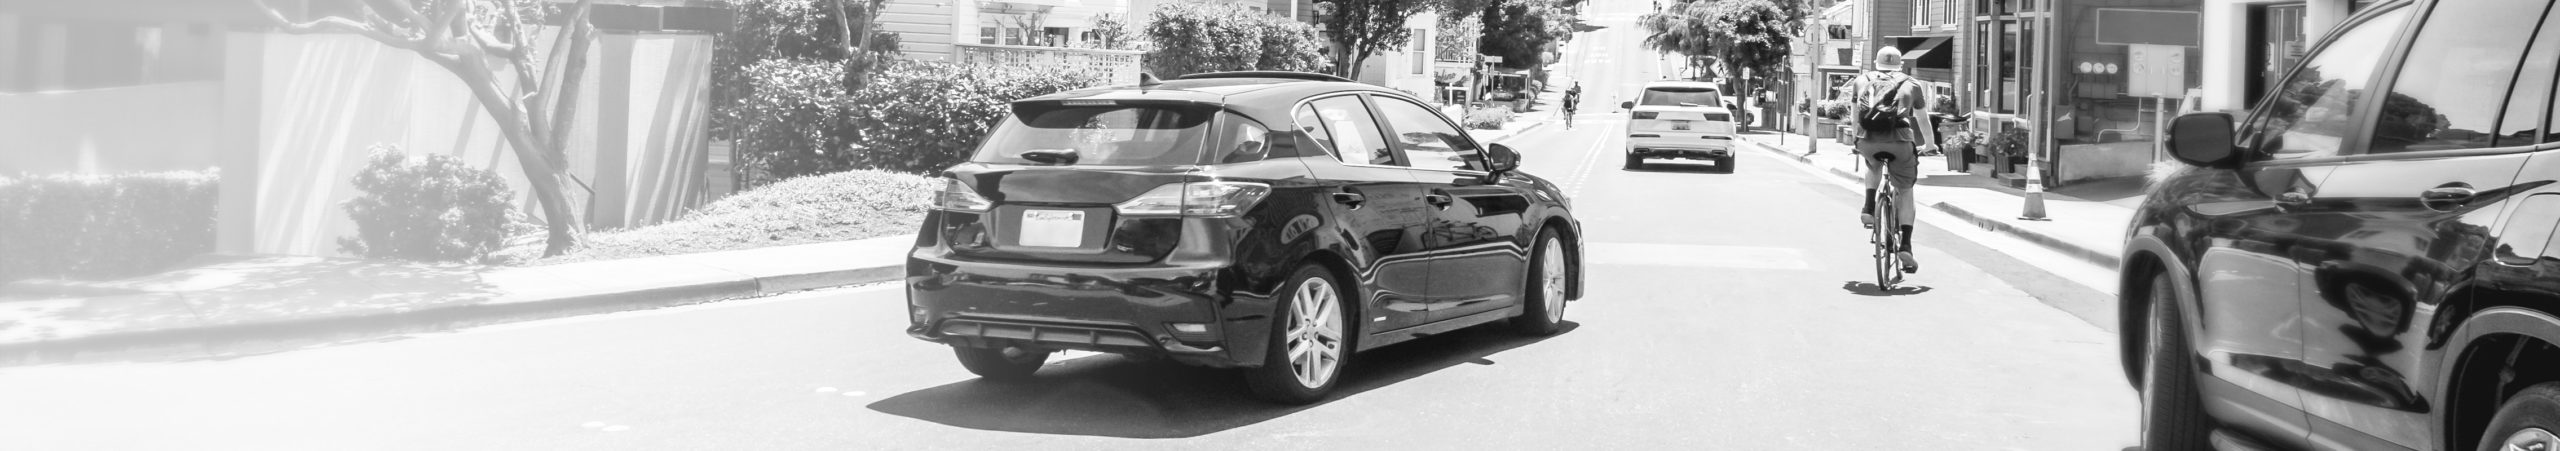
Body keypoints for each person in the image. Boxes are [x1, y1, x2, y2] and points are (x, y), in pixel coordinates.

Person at [1847, 46, 1939, 273]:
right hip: (1900, 141)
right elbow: (1923, 119)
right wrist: (1930, 144)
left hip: (1868, 139)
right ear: (1900, 65)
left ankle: (1869, 206)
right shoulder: (1912, 84)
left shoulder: (1861, 80)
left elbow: (1855, 116)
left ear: (1876, 63)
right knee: (1905, 190)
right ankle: (1906, 244)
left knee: (1873, 165)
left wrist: (1857, 141)